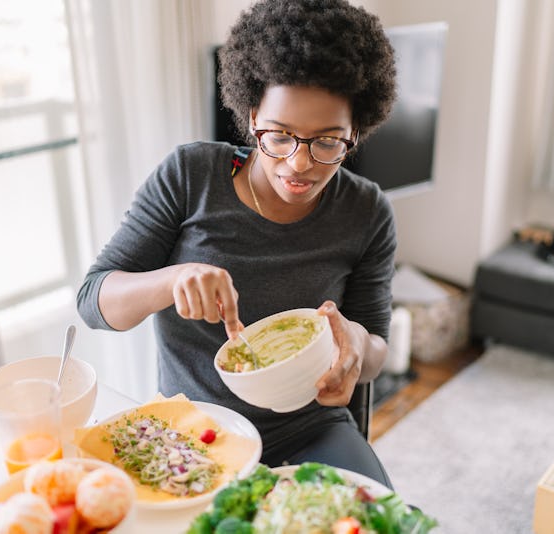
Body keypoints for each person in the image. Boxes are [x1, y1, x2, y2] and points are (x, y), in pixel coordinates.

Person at [77, 0, 397, 487]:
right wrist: (174, 279)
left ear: (356, 131)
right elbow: (94, 302)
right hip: (199, 434)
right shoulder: (190, 177)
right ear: (251, 116)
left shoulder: (366, 211)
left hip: (309, 429)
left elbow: (376, 351)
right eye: (279, 135)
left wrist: (355, 343)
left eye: (328, 141)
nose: (299, 164)